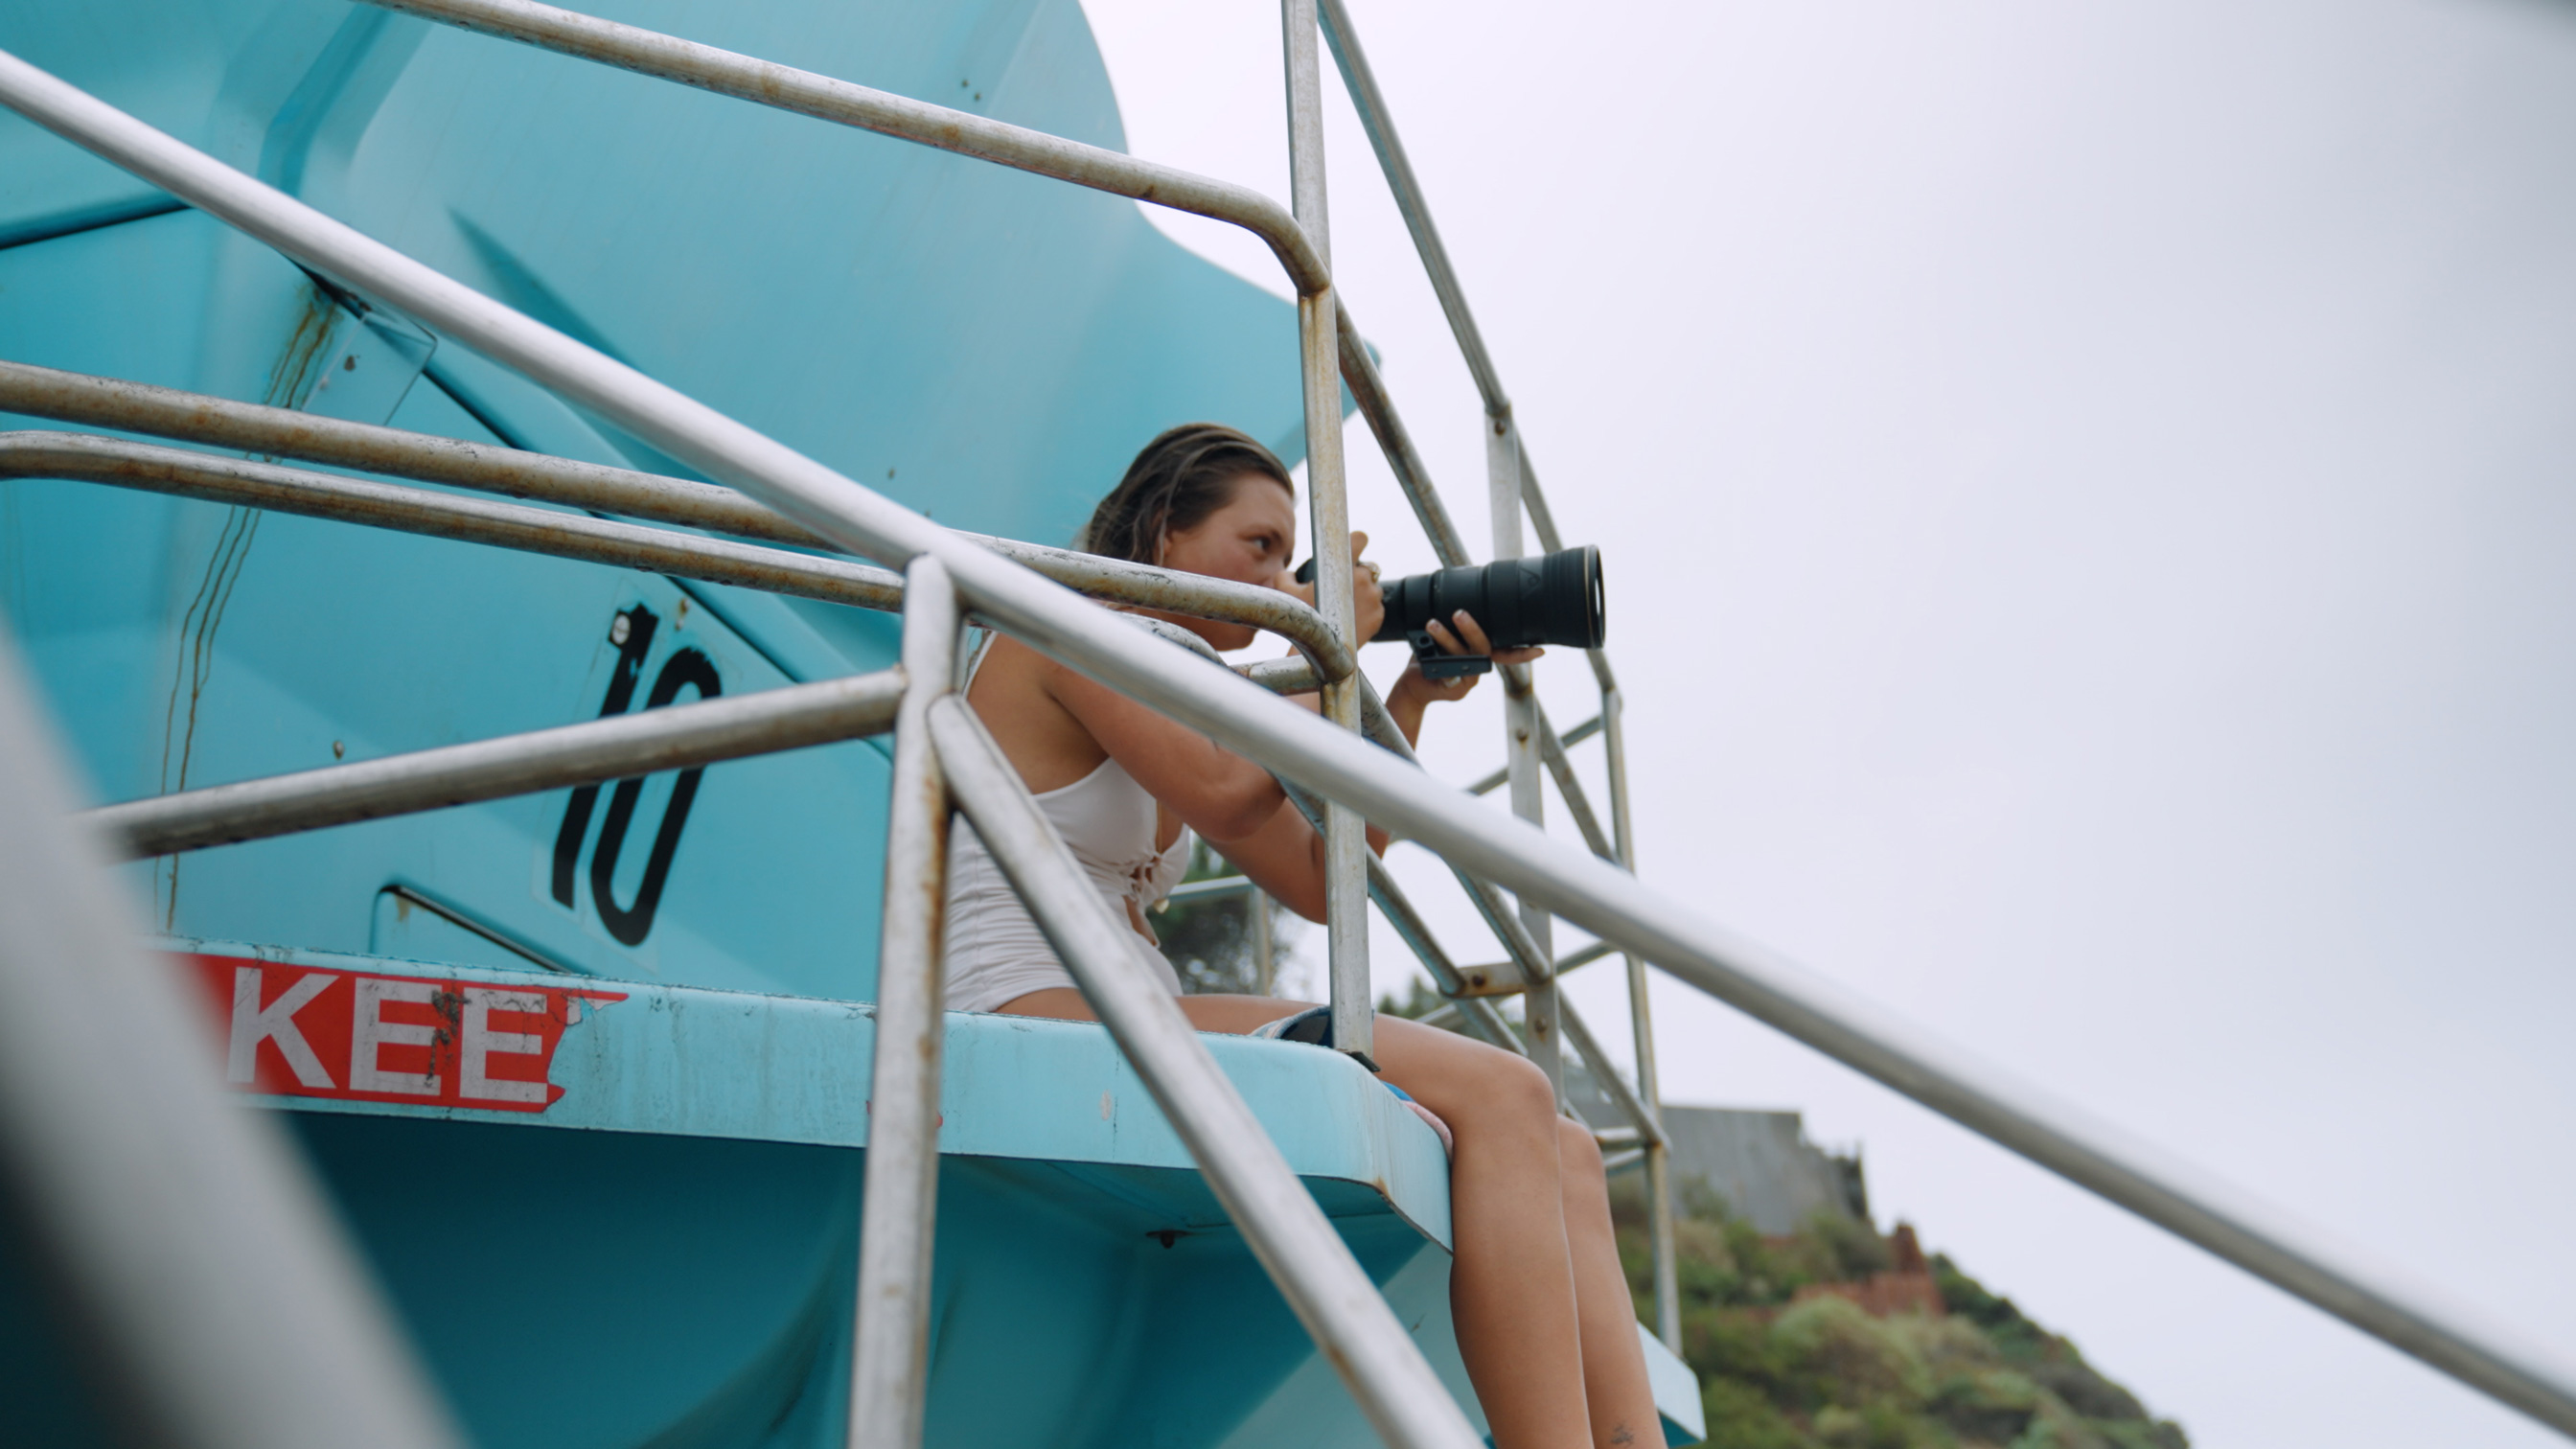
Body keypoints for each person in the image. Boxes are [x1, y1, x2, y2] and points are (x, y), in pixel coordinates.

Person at [943, 423, 1665, 1449]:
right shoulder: (1065, 621)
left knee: (1569, 1151)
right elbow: (1234, 793)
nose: (1281, 577)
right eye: (1261, 547)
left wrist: (1407, 694)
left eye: (1290, 557)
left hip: (1124, 1000)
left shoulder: (1173, 678)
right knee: (1507, 1092)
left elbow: (1321, 876)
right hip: (1022, 1002)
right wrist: (1320, 651)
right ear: (1166, 529)